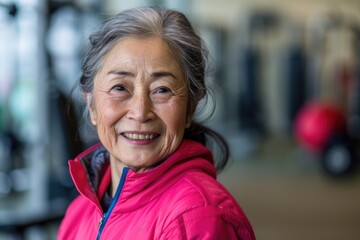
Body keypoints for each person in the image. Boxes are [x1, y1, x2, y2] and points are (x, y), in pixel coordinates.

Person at [58, 6, 255, 240]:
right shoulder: (79, 212)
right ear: (92, 106)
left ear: (190, 108)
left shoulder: (197, 219)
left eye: (162, 90)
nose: (140, 112)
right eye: (120, 88)